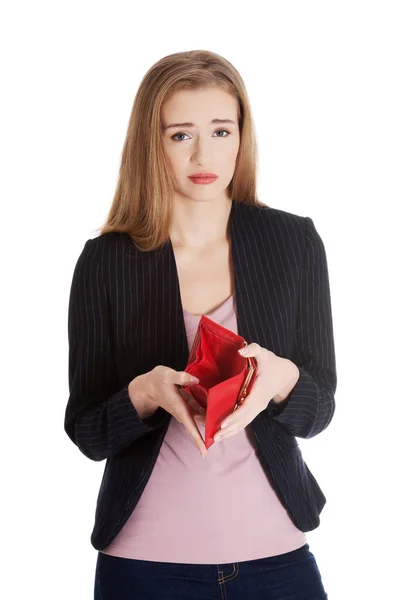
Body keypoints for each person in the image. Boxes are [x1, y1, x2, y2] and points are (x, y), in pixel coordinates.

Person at [64, 49, 336, 599]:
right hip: (144, 567)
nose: (203, 154)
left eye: (221, 130)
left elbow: (320, 409)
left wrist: (279, 379)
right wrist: (145, 392)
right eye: (180, 135)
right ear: (153, 144)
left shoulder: (293, 244)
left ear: (242, 135)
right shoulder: (107, 261)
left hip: (276, 559)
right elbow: (87, 431)